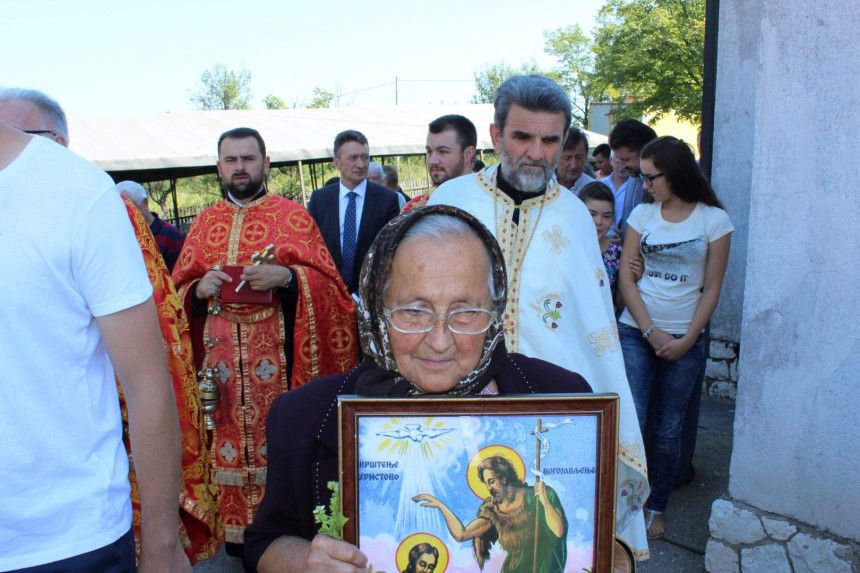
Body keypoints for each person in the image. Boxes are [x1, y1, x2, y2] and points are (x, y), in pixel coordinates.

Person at [242, 205, 592, 572]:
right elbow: (264, 543)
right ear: (378, 309)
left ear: (495, 310)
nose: (440, 341)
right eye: (414, 311)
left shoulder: (567, 403)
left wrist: (614, 557)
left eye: (465, 311)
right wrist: (305, 563)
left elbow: (597, 538)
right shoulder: (304, 415)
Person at [426, 75, 650, 559]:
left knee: (543, 539)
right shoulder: (450, 203)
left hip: (552, 406)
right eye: (522, 137)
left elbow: (592, 327)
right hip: (457, 392)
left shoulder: (573, 216)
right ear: (495, 136)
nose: (536, 152)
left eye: (550, 140)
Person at [0, 87, 222, 564]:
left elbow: (157, 357)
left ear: (56, 141)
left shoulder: (82, 195)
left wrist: (163, 539)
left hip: (70, 536)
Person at [171, 127, 358, 550]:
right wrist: (197, 291)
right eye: (231, 160)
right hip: (217, 370)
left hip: (278, 359)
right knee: (222, 441)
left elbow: (335, 295)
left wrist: (290, 278)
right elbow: (173, 297)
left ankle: (280, 531)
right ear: (218, 167)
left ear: (266, 163)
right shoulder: (204, 223)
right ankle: (231, 536)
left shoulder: (292, 216)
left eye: (248, 159)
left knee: (281, 434)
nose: (240, 168)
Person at [617, 136, 733, 540]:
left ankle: (656, 507)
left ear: (675, 172)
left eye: (651, 177)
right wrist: (650, 331)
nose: (644, 185)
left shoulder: (713, 220)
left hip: (685, 340)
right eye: (642, 177)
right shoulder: (642, 216)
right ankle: (621, 505)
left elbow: (712, 289)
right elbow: (626, 282)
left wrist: (686, 341)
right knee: (631, 421)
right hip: (636, 333)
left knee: (668, 430)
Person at [414, 455, 567, 572]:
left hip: (544, 566)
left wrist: (545, 501)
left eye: (492, 481)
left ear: (504, 479)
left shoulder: (539, 495)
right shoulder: (493, 510)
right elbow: (462, 534)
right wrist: (441, 506)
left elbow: (559, 530)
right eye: (486, 483)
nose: (489, 487)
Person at [307, 130, 401, 293]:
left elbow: (391, 252)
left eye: (365, 157)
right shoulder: (320, 200)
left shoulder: (387, 200)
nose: (361, 164)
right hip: (329, 295)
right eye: (353, 158)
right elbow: (311, 249)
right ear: (336, 163)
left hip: (372, 295)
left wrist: (360, 296)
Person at [404, 114, 478, 212]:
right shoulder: (413, 209)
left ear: (468, 154)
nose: (432, 161)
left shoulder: (493, 202)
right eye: (429, 152)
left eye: (443, 151)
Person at [116, 180, 186, 273]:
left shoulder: (171, 236)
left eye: (129, 207)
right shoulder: (123, 238)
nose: (125, 213)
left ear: (145, 204)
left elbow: (182, 278)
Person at [608, 119, 658, 241]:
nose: (622, 166)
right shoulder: (633, 176)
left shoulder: (664, 184)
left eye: (627, 159)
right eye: (619, 161)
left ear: (646, 151)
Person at [578, 181, 624, 309]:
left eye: (606, 216)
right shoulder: (562, 249)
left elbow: (620, 304)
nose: (598, 222)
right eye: (592, 214)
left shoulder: (618, 255)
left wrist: (635, 278)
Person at [554, 126, 594, 194]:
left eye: (579, 157)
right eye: (567, 158)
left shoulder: (592, 189)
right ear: (555, 157)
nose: (574, 165)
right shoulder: (541, 185)